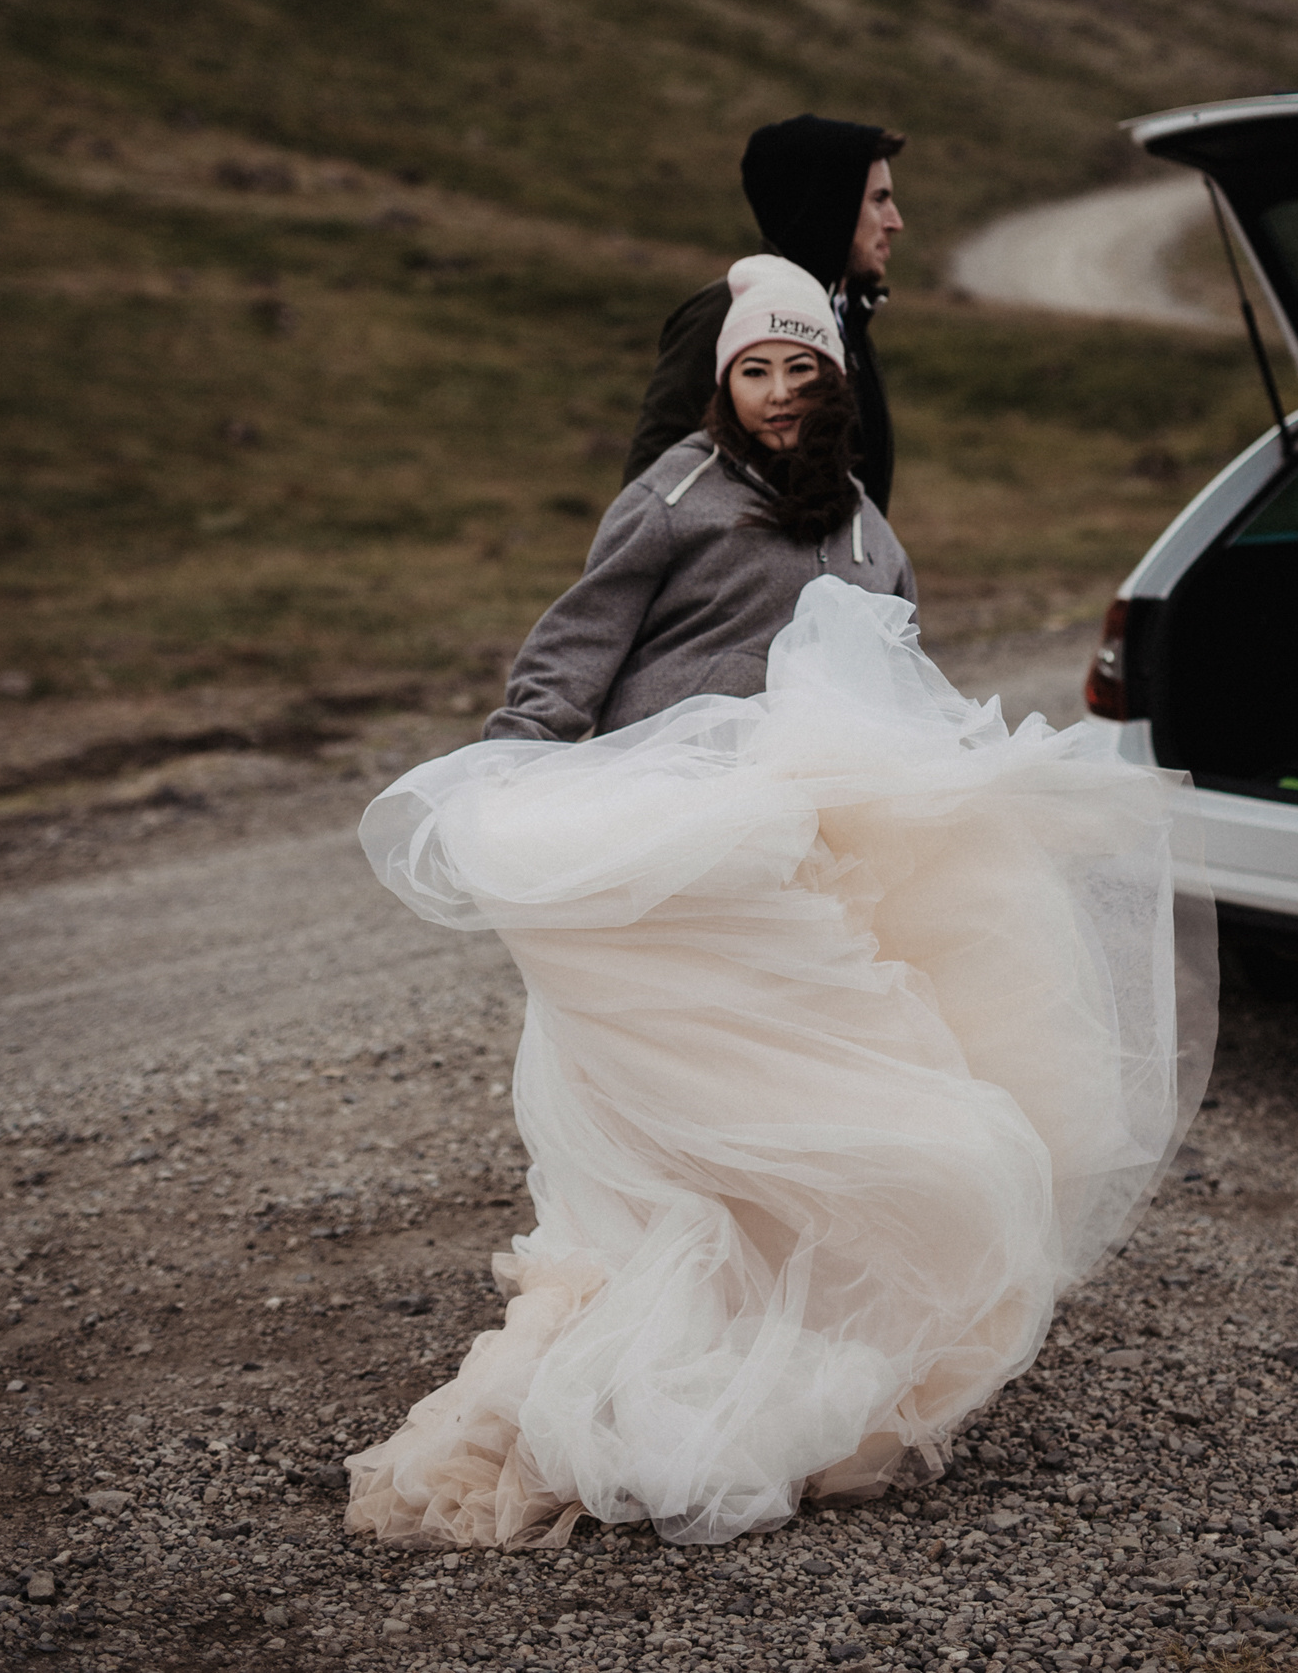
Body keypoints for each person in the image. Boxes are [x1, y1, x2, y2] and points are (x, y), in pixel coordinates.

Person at [344, 258, 1214, 1553]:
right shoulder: (674, 496)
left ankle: (790, 1336)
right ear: (722, 383)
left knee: (822, 1094)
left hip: (793, 857)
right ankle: (658, 1332)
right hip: (673, 838)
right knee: (683, 1100)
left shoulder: (870, 536)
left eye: (799, 372)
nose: (774, 394)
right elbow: (575, 644)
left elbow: (890, 692)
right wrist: (513, 759)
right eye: (752, 371)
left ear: (833, 384)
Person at [623, 114, 905, 512]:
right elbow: (647, 488)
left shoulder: (844, 314)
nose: (896, 222)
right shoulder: (729, 311)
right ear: (831, 206)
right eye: (879, 199)